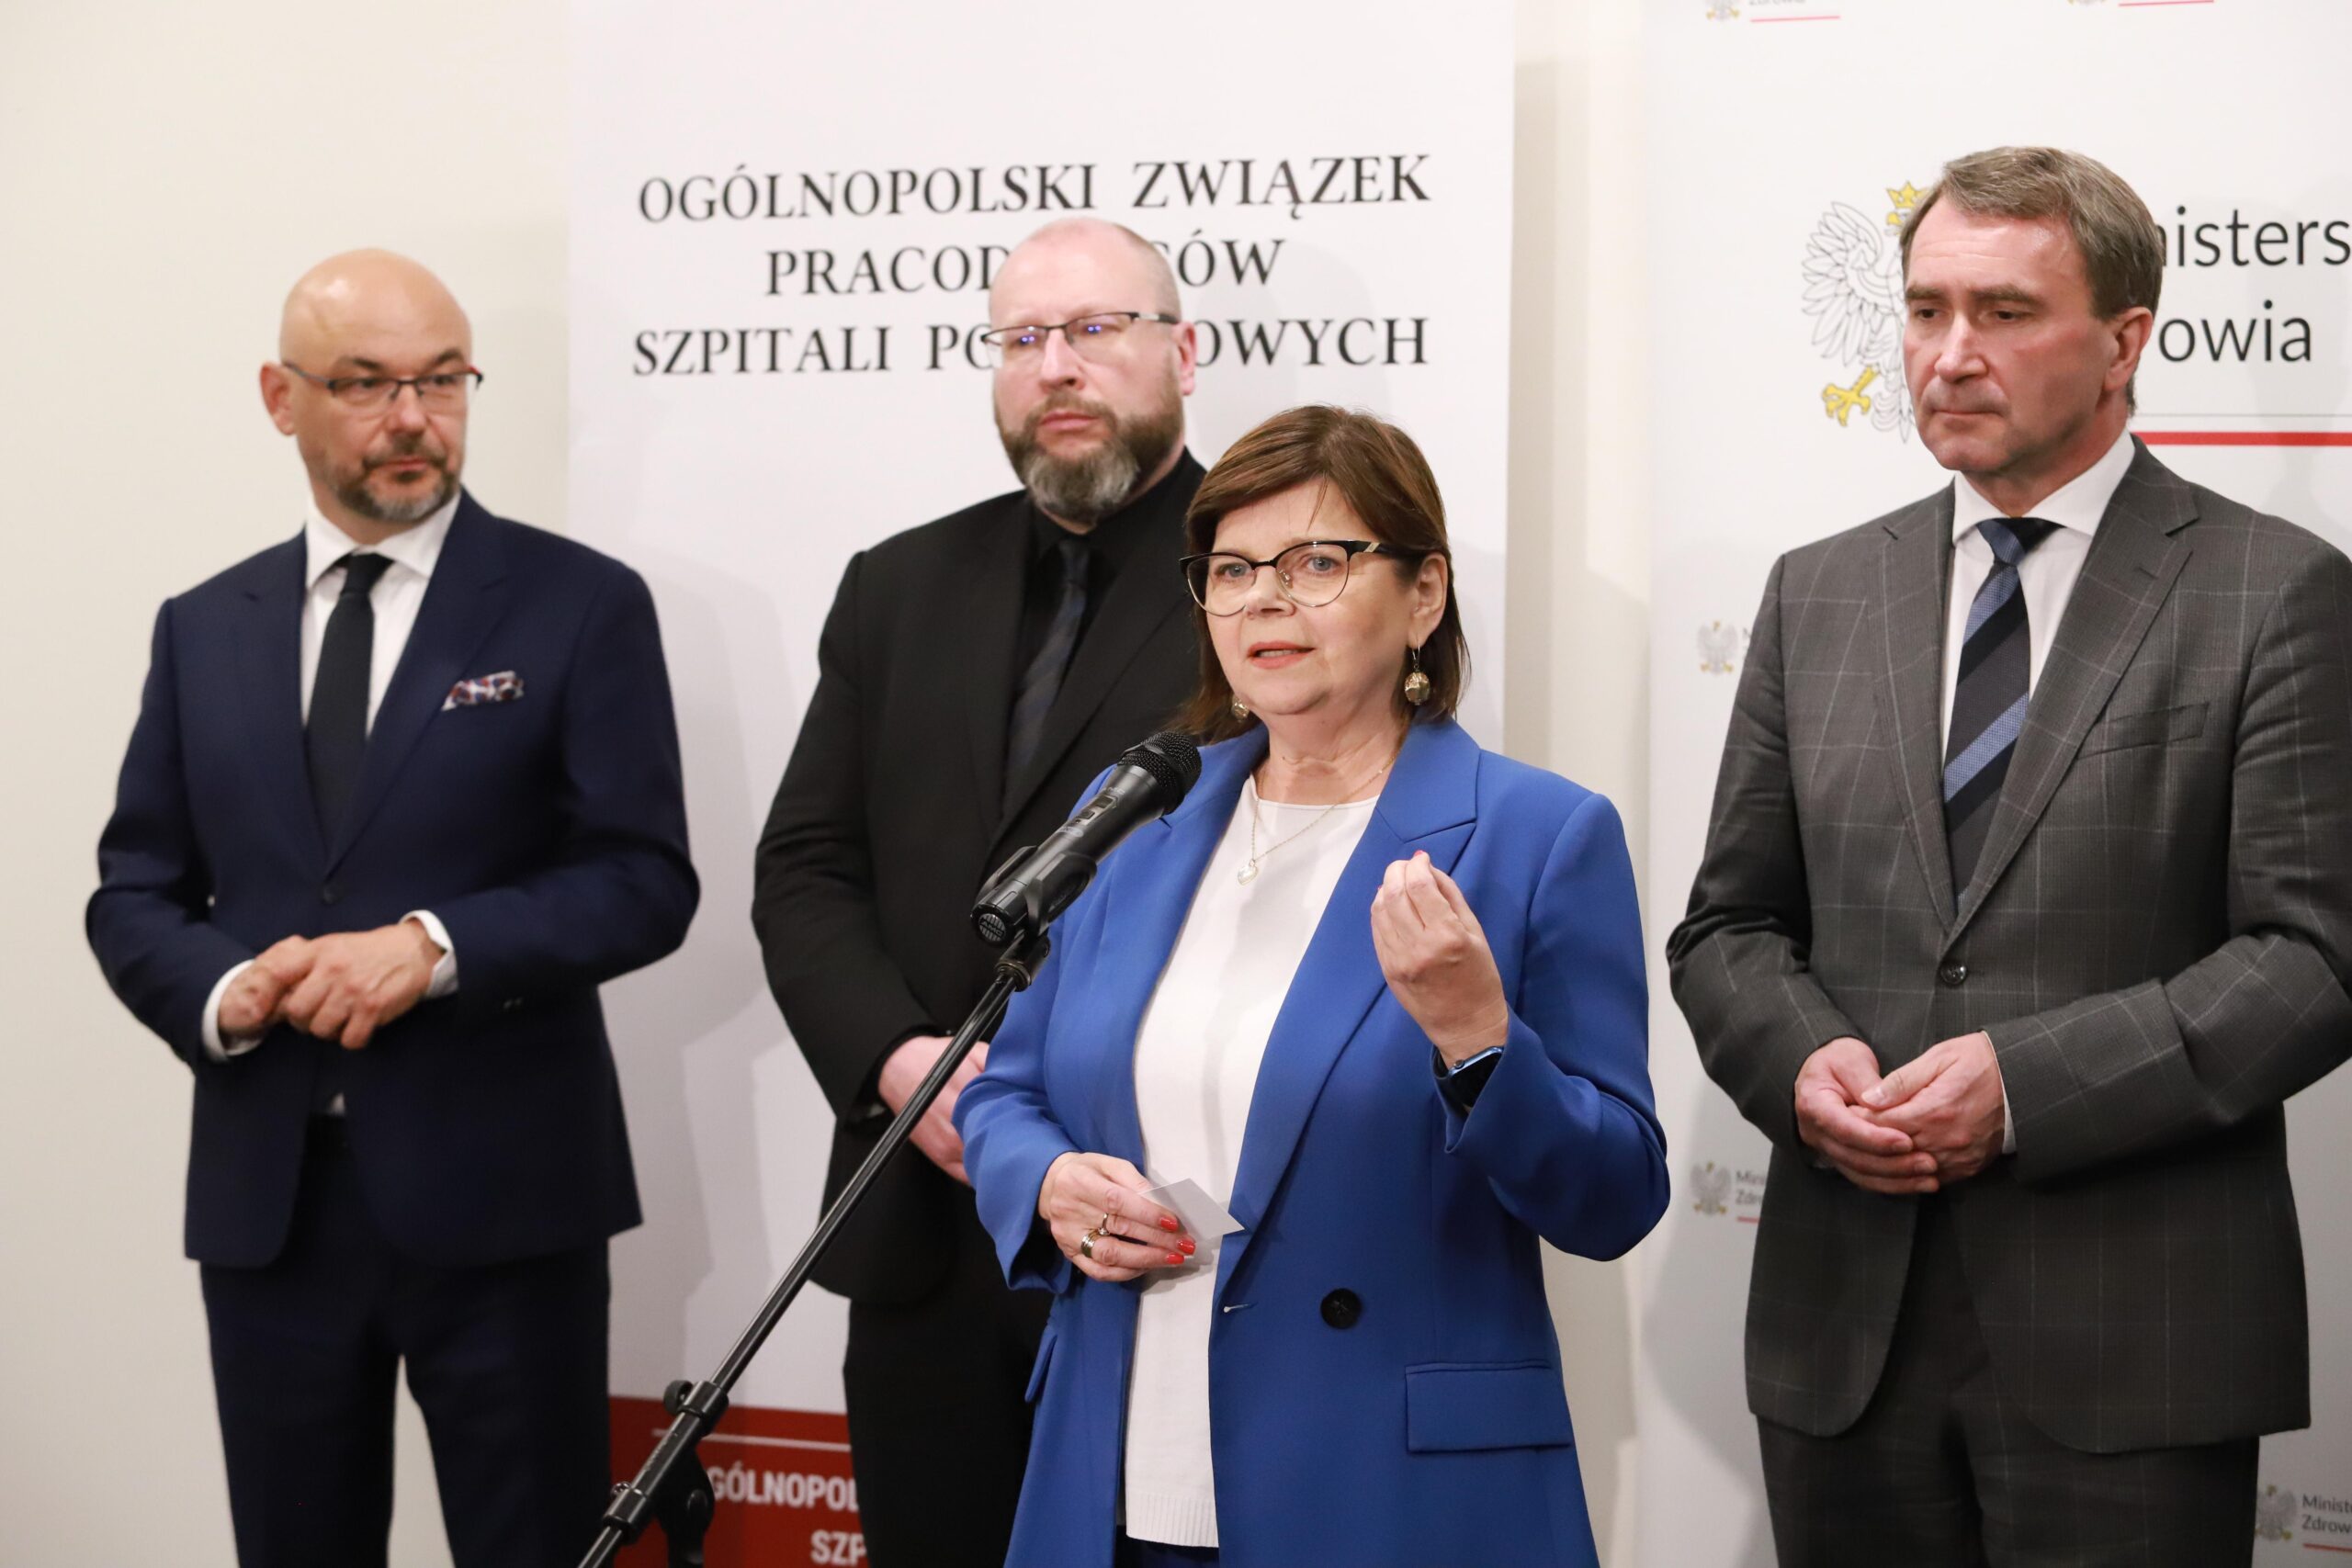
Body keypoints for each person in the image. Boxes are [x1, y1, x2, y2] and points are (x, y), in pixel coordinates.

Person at [1670, 146, 2352, 1566]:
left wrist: (2027, 1087)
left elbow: (2313, 960)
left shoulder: (2274, 589)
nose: (1950, 354)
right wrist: (1805, 1064)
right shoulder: (1819, 590)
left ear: (2124, 340)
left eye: (2005, 311)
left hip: (2133, 1342)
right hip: (1843, 1330)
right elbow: (1730, 924)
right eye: (1927, 310)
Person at [956, 405, 1668, 1568]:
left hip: (1382, 1495)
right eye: (1231, 570)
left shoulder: (1536, 836)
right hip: (1114, 1469)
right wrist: (1046, 1182)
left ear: (1424, 594)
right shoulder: (1139, 815)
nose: (1262, 601)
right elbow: (1003, 1089)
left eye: (1316, 563)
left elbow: (1615, 1195)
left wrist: (1478, 1038)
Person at [85, 250, 698, 1568]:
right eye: (366, 384)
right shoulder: (203, 625)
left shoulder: (580, 602)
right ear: (282, 397)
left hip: (508, 1202)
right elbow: (134, 889)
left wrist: (433, 949)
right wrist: (225, 990)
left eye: (442, 380)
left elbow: (644, 879)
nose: (412, 417)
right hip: (270, 1206)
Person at [751, 216, 1204, 1568]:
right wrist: (902, 1062)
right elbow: (806, 867)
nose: (1055, 367)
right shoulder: (896, 585)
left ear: (1184, 351)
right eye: (1022, 339)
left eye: (1095, 329)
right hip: (921, 1228)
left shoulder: (1262, 580)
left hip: (1153, 1219)